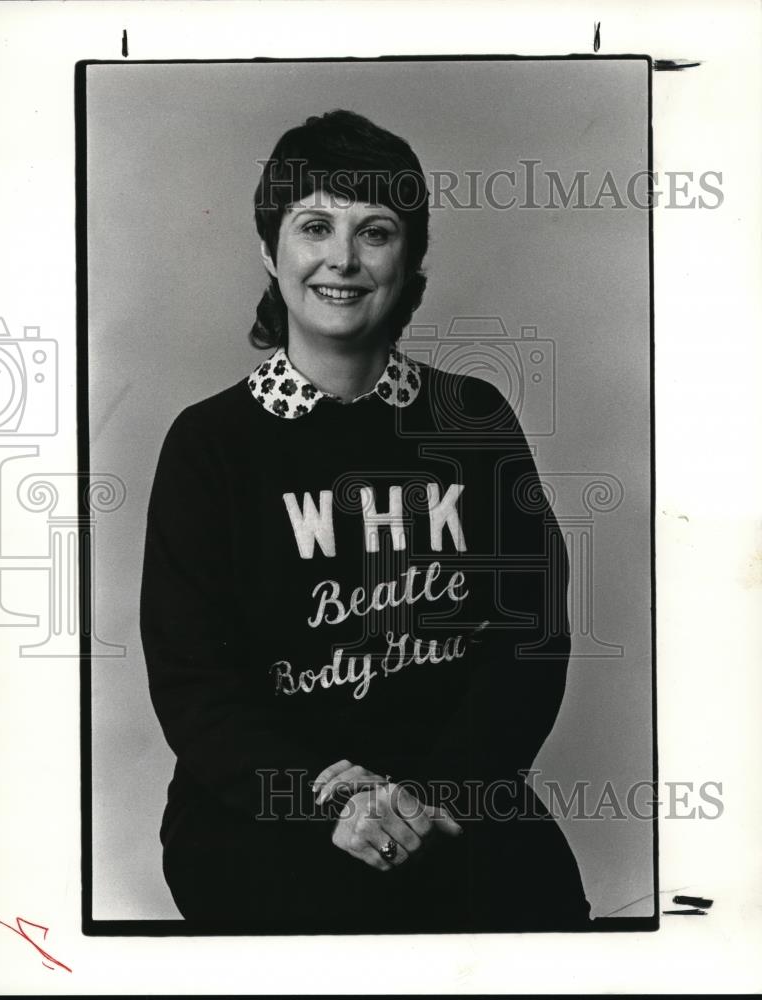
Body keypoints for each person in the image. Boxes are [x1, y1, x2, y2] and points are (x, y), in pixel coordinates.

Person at [140, 109, 591, 934]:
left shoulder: (472, 419)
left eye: (374, 232)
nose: (342, 259)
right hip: (267, 807)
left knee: (546, 913)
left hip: (453, 793)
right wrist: (335, 800)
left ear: (410, 258)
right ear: (270, 252)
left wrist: (438, 790)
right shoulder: (210, 445)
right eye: (315, 227)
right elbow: (194, 683)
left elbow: (531, 633)